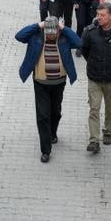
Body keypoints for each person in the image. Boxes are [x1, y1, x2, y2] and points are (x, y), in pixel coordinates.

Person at [16, 15, 82, 163]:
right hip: (41, 82)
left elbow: (79, 43)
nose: (51, 35)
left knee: (55, 112)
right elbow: (19, 36)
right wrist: (38, 25)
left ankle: (52, 133)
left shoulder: (64, 37)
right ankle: (46, 150)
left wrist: (64, 28)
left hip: (59, 82)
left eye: (55, 32)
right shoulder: (36, 37)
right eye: (48, 32)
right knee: (43, 116)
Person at [81, 3, 111, 153]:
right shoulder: (89, 31)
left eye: (102, 15)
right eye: (98, 14)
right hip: (94, 78)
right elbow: (85, 50)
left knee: (110, 110)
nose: (99, 18)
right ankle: (94, 140)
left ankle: (107, 131)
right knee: (94, 109)